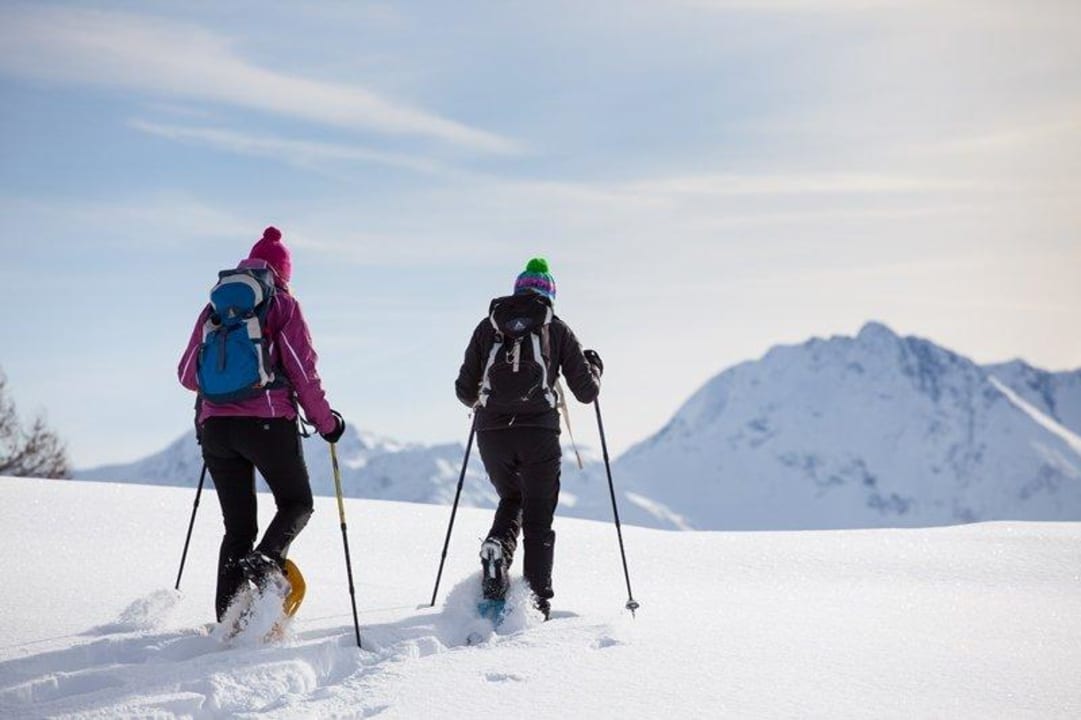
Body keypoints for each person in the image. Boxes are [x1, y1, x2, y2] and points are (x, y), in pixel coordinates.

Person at [178, 226, 345, 622]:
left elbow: (187, 374)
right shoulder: (283, 305)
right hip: (268, 425)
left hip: (216, 431)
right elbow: (303, 372)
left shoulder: (214, 308)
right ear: (283, 272)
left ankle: (229, 622)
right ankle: (268, 561)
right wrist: (326, 423)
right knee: (297, 503)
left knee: (237, 529)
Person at [455, 258, 602, 619]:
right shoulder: (557, 329)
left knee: (511, 497)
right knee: (538, 516)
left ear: (518, 290)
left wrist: (492, 407)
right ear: (549, 295)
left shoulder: (487, 327)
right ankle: (536, 603)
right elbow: (586, 392)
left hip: (492, 432)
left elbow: (463, 390)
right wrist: (594, 364)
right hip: (538, 432)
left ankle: (497, 549)